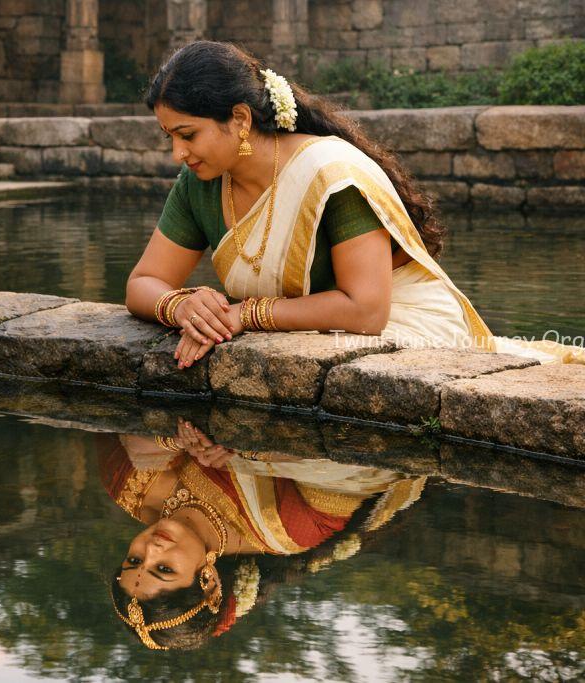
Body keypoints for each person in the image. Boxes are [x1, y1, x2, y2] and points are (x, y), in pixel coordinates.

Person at [126, 41, 584, 369]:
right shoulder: (199, 184)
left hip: (403, 326)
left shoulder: (330, 174)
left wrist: (244, 314)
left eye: (188, 135)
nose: (178, 154)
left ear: (240, 119)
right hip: (308, 330)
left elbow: (366, 310)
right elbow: (142, 283)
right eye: (170, 138)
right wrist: (183, 307)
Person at [100, 421, 427, 650]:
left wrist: (176, 440)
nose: (152, 549)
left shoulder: (126, 487)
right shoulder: (287, 527)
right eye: (164, 569)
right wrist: (246, 448)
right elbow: (359, 461)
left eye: (134, 560)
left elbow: (114, 421)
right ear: (210, 583)